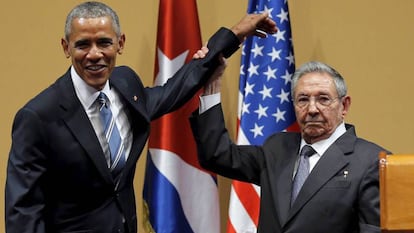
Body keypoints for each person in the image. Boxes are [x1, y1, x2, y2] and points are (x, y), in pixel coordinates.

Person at [5, 1, 278, 233]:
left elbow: (175, 89)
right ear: (66, 47)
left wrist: (232, 36)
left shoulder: (126, 86)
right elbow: (23, 211)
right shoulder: (38, 116)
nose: (95, 54)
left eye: (104, 42)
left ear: (120, 43)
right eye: (82, 45)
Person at [189, 60, 390, 233]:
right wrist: (212, 85)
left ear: (344, 106)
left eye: (323, 99)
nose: (312, 109)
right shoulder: (277, 148)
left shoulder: (373, 161)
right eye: (303, 99)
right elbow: (217, 155)